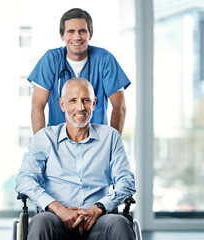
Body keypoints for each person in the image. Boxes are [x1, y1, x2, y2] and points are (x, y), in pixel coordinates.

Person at [16, 78, 136, 240]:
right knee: (40, 222)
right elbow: (24, 180)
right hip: (55, 219)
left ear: (94, 104)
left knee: (119, 224)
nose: (80, 107)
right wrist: (59, 209)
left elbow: (126, 182)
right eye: (73, 100)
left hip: (98, 220)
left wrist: (97, 209)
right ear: (62, 105)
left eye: (86, 100)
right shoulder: (45, 138)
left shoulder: (110, 137)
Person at [29, 8, 130, 135]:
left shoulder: (105, 59)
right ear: (62, 35)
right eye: (71, 31)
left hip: (96, 144)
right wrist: (42, 147)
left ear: (90, 35)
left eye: (82, 31)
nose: (77, 37)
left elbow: (119, 107)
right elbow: (37, 106)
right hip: (58, 145)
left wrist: (110, 145)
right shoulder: (51, 60)